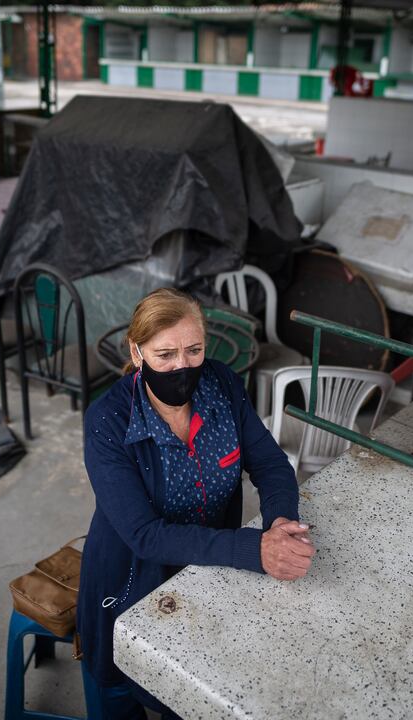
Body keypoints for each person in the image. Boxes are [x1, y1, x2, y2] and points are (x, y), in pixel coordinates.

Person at [78, 287, 314, 718]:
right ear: (137, 351)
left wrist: (281, 524)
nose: (181, 366)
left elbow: (271, 465)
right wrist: (254, 549)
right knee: (119, 689)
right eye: (164, 354)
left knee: (191, 694)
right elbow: (144, 536)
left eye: (194, 350)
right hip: (131, 580)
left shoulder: (221, 384)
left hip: (207, 572)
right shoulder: (108, 422)